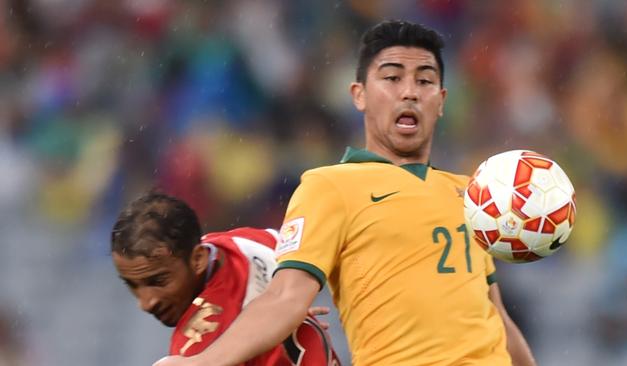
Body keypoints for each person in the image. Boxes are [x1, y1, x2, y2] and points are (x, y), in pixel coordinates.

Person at [154, 20, 536, 366]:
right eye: (391, 78)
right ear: (359, 95)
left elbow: (495, 317)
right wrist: (204, 363)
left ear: (441, 101)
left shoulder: (471, 193)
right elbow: (287, 297)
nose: (409, 92)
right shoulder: (330, 186)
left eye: (424, 80)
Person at [111, 191, 340, 365]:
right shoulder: (251, 242)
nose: (146, 302)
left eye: (159, 281)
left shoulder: (193, 351)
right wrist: (290, 307)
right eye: (133, 285)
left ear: (198, 259)